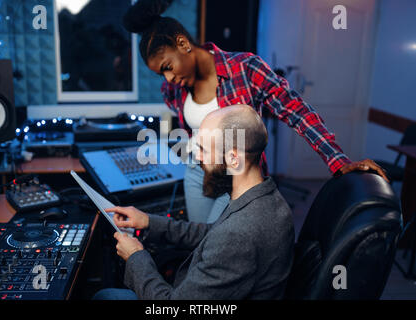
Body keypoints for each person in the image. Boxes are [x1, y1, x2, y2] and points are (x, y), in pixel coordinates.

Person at [122, 0, 389, 224]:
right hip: (198, 173)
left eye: (168, 66)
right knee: (199, 244)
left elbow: (297, 112)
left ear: (183, 43)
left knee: (219, 245)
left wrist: (338, 161)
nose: (167, 79)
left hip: (239, 179)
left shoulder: (245, 68)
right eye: (160, 73)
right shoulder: (173, 91)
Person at [93, 105, 295, 300]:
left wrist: (136, 256)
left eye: (204, 150)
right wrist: (148, 221)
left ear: (234, 159)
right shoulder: (263, 198)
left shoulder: (239, 234)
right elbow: (212, 233)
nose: (197, 157)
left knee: (105, 296)